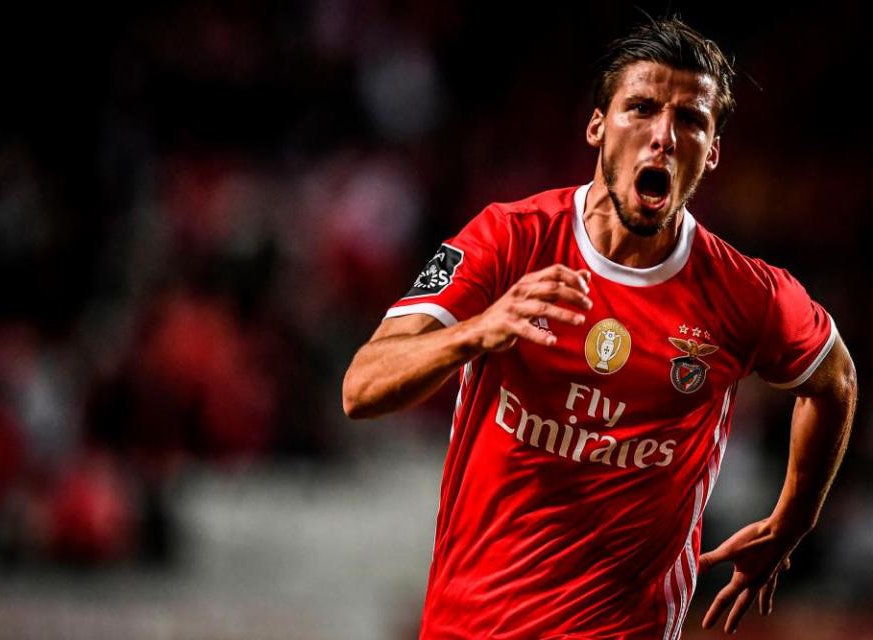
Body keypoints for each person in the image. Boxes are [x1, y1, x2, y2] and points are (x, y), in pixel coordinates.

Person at [342, 16, 857, 640]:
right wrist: (477, 329)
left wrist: (790, 523)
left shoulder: (746, 296)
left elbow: (835, 381)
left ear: (713, 151)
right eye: (640, 108)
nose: (662, 136)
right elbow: (361, 388)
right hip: (468, 626)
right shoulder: (510, 239)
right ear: (596, 127)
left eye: (691, 119)